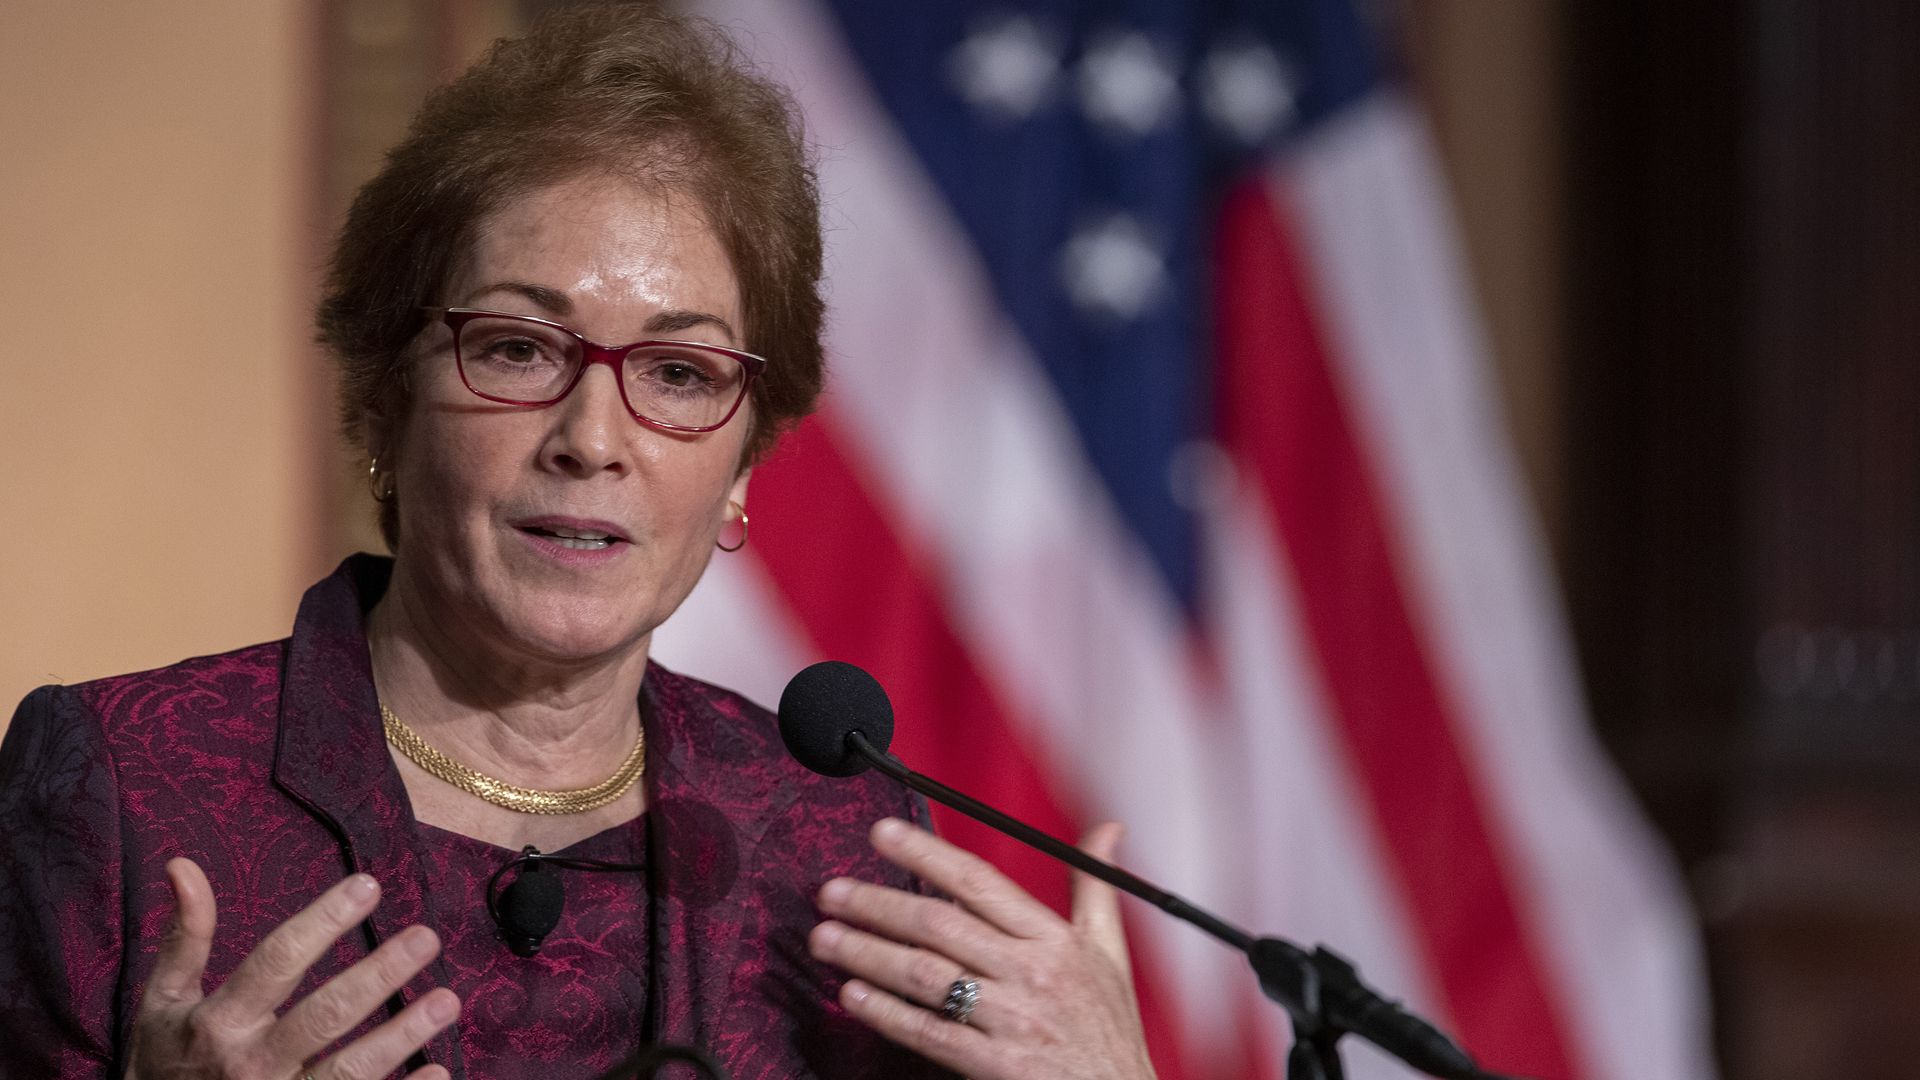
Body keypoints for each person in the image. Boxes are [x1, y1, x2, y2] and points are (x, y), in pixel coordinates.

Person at [0, 7, 1157, 1080]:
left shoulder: (838, 840)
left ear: (745, 462)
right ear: (384, 402)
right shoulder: (126, 788)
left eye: (678, 371)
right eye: (516, 348)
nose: (592, 439)